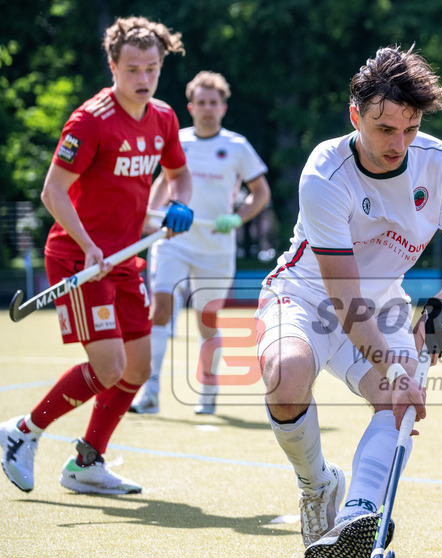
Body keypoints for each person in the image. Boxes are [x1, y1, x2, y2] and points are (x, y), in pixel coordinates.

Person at [255, 46, 442, 558]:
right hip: (308, 295)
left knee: (397, 405)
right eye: (385, 129)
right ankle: (318, 486)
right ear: (355, 115)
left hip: (380, 303)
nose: (399, 144)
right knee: (286, 377)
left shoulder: (440, 164)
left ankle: (358, 509)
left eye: (410, 128)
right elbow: (341, 295)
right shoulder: (325, 174)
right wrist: (396, 367)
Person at [0, 16, 193, 495]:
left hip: (125, 259)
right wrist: (88, 247)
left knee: (138, 368)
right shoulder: (90, 121)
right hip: (77, 259)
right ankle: (21, 432)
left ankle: (86, 463)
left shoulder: (164, 118)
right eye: (132, 69)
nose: (143, 79)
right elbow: (52, 192)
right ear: (112, 66)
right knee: (108, 367)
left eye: (152, 68)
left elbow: (178, 175)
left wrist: (178, 204)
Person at [130, 71, 271, 416]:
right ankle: (149, 393)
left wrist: (237, 218)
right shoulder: (178, 140)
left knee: (206, 319)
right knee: (160, 309)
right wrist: (151, 216)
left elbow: (261, 193)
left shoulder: (237, 146)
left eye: (214, 103)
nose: (208, 109)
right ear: (191, 107)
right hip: (173, 241)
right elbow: (166, 181)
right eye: (202, 103)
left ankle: (208, 389)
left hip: (216, 247)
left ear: (223, 107)